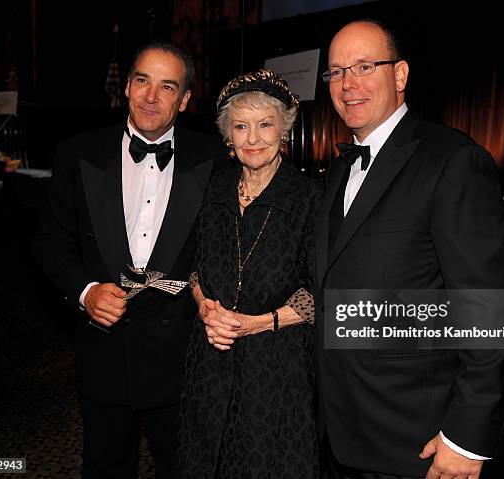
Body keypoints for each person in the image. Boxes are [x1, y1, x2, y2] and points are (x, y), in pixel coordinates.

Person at [315, 20, 504, 478]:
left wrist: (467, 437)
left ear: (400, 75)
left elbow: (494, 309)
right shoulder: (337, 170)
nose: (348, 84)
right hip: (341, 429)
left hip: (418, 442)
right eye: (336, 72)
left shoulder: (453, 160)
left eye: (364, 66)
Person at [33, 42, 224, 478]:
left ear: (185, 99)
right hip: (104, 351)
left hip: (181, 358)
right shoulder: (77, 153)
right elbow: (50, 240)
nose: (151, 96)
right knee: (105, 467)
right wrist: (85, 291)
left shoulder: (215, 160)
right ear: (127, 86)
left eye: (167, 86)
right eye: (143, 81)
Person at [177, 68, 321, 478]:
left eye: (264, 125)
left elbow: (320, 290)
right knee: (204, 458)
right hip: (210, 356)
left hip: (277, 366)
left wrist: (256, 324)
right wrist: (205, 308)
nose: (253, 138)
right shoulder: (213, 188)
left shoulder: (309, 197)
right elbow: (193, 267)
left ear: (284, 130)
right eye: (241, 127)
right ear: (228, 135)